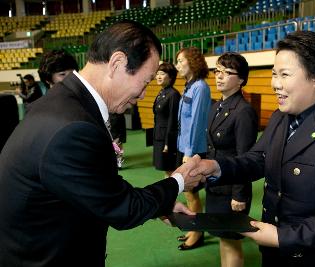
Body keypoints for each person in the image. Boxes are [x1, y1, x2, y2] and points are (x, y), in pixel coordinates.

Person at [0, 21, 203, 267]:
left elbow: (98, 187)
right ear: (117, 64)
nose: (142, 95)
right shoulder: (74, 127)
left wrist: (158, 205)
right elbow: (123, 208)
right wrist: (179, 180)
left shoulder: (64, 101)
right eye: (146, 82)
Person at [189, 31, 315, 267]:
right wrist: (215, 167)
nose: (274, 83)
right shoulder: (281, 118)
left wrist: (282, 236)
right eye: (273, 73)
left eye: (284, 74)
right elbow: (257, 159)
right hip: (274, 253)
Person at [207, 52, 258, 267]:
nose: (220, 76)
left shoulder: (243, 111)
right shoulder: (216, 106)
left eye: (227, 73)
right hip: (216, 186)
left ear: (241, 80)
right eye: (218, 71)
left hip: (231, 192)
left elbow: (245, 158)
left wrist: (239, 195)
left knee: (231, 242)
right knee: (223, 236)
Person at [175, 47, 211, 250]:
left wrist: (188, 153)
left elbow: (197, 122)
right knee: (189, 193)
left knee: (191, 194)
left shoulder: (200, 87)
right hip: (184, 147)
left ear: (193, 62)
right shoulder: (189, 86)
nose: (178, 65)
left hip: (193, 150)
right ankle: (193, 229)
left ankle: (197, 233)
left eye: (181, 61)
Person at [153, 62, 181, 177]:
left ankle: (169, 193)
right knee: (165, 169)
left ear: (170, 77)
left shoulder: (173, 94)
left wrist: (168, 143)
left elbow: (172, 120)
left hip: (166, 138)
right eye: (157, 73)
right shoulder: (162, 92)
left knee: (169, 169)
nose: (158, 76)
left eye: (162, 74)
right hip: (159, 136)